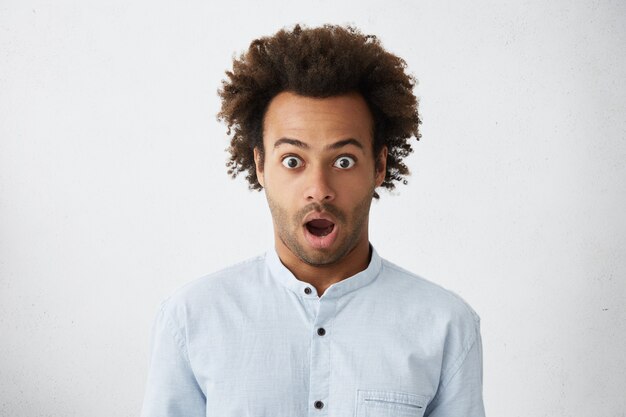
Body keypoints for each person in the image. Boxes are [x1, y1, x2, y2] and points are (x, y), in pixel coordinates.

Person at [140, 23, 485, 417]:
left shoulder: (446, 326)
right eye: (293, 161)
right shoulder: (189, 319)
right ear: (260, 165)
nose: (319, 188)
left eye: (343, 161)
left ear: (379, 166)